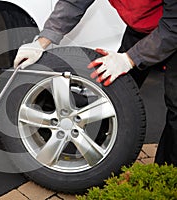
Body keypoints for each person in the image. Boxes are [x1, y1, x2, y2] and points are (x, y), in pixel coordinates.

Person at [13, 0, 177, 166]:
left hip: (172, 27)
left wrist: (129, 59)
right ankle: (103, 159)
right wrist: (41, 42)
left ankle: (167, 175)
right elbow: (74, 3)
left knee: (175, 104)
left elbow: (173, 27)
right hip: (144, 27)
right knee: (116, 92)